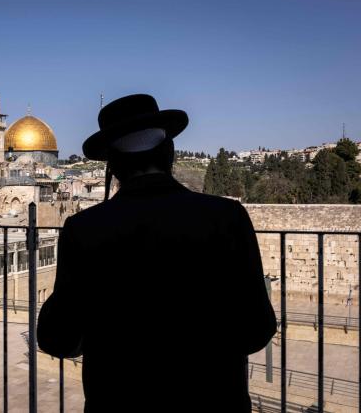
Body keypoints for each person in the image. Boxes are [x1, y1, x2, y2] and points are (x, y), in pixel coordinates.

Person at [37, 94, 277, 412]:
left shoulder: (84, 229)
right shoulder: (227, 217)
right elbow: (257, 329)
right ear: (170, 152)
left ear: (113, 165)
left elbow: (58, 338)